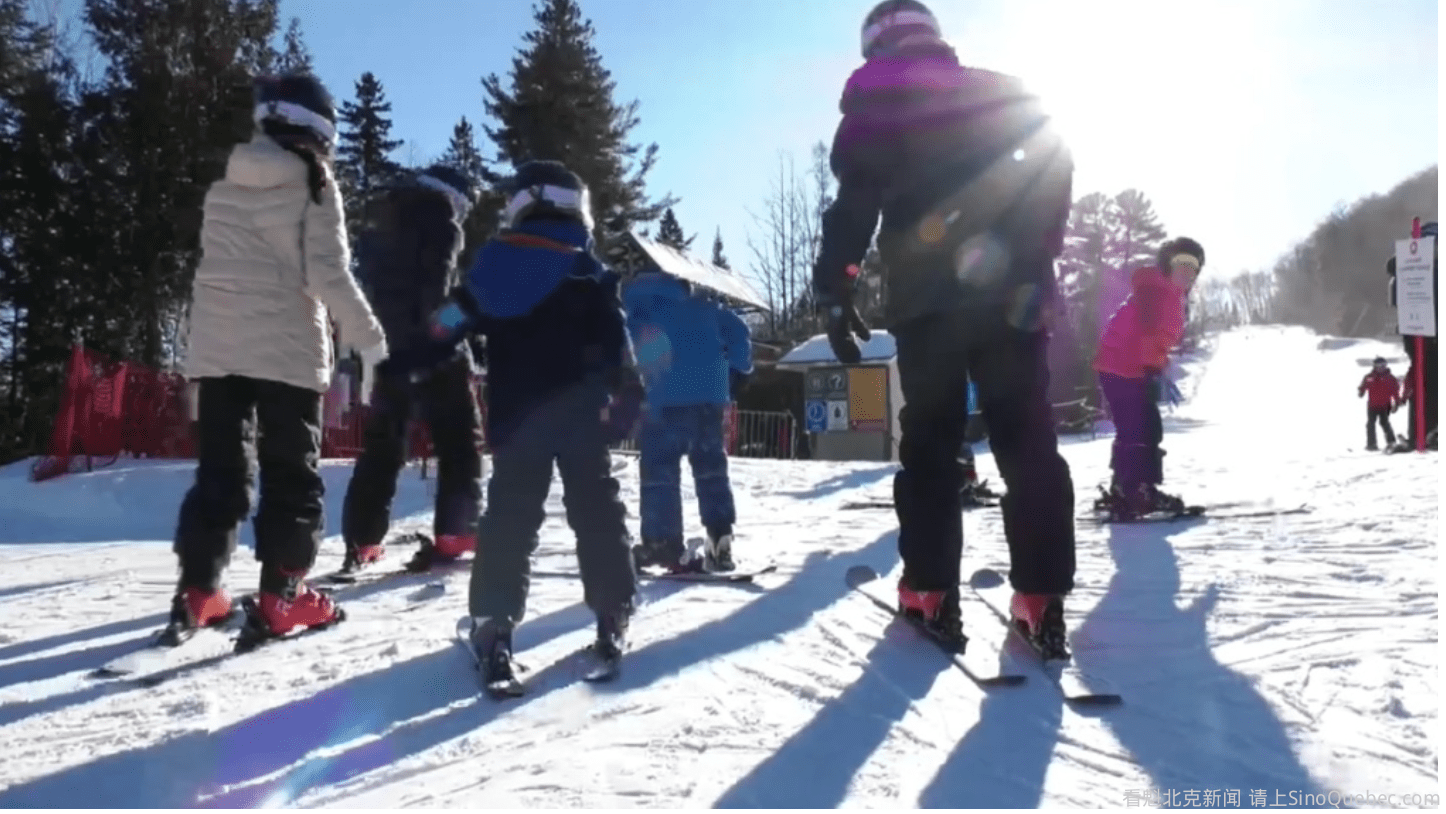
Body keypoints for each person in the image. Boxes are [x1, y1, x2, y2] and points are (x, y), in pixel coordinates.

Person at [812, 0, 1078, 657]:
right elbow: (1055, 160)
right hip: (1012, 297)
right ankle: (1040, 602)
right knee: (1028, 440)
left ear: (876, 44)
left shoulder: (876, 99)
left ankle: (929, 593)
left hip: (929, 303)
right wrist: (1038, 257)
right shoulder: (1000, 90)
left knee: (931, 443)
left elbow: (855, 205)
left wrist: (837, 291)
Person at [390, 159, 644, 684]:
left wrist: (408, 362)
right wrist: (627, 400)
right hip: (582, 416)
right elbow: (620, 349)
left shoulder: (495, 267)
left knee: (510, 515)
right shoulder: (588, 271)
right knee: (596, 504)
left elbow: (448, 324)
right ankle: (612, 609)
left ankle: (493, 621)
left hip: (519, 417)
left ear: (521, 204)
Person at [167, 73, 388, 646]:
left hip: (218, 350)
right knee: (291, 472)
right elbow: (328, 273)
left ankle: (199, 589)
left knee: (221, 470)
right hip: (287, 348)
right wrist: (368, 336)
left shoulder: (229, 183)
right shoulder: (314, 181)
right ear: (319, 128)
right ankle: (282, 597)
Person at [340, 165, 486, 573]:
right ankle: (457, 530)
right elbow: (435, 290)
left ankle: (362, 540)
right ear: (457, 196)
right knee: (460, 439)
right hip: (431, 348)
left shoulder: (386, 218)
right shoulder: (441, 221)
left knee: (383, 447)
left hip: (387, 348)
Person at [623, 272, 754, 573]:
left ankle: (661, 542)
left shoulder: (641, 313)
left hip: (664, 405)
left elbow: (637, 355)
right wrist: (738, 368)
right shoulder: (705, 309)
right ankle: (720, 539)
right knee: (711, 469)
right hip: (708, 402)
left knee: (660, 473)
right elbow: (738, 330)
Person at [1094, 238, 1204, 518]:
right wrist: (1151, 370)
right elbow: (1147, 333)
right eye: (1181, 264)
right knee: (1143, 427)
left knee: (1136, 426)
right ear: (1167, 264)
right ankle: (1138, 491)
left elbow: (1157, 339)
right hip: (1125, 366)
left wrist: (1157, 366)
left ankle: (1124, 488)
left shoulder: (1167, 293)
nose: (1186, 273)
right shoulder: (1157, 291)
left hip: (1122, 366)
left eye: (1193, 269)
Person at [1357, 357, 1399, 451]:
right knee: (1370, 424)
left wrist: (1396, 403)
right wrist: (1361, 391)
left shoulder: (1390, 378)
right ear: (1375, 366)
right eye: (1379, 366)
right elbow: (1364, 386)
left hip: (1385, 405)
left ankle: (1391, 441)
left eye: (1383, 365)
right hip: (1372, 405)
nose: (1381, 368)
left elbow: (1395, 392)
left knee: (1384, 423)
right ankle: (1371, 444)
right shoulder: (1369, 377)